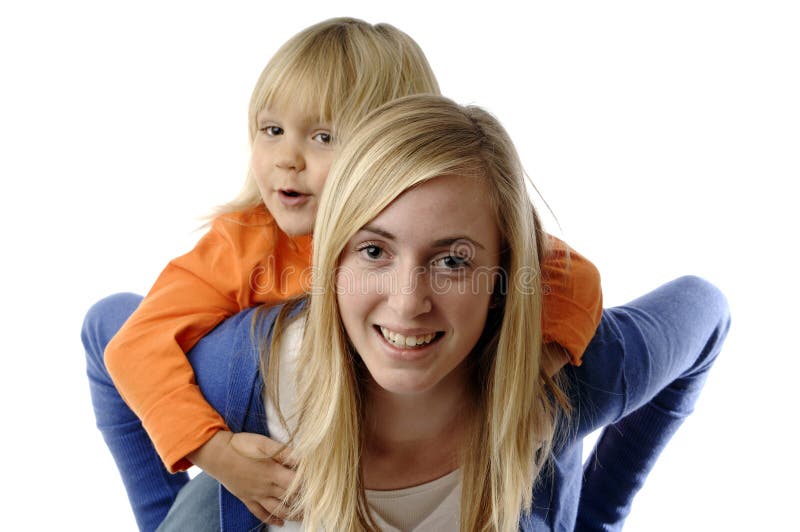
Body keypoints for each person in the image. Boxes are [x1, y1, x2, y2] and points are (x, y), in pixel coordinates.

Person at [81, 19, 602, 531]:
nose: (288, 159)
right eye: (272, 130)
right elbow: (134, 343)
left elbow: (571, 275)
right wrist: (217, 454)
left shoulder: (454, 223)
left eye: (324, 136)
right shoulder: (245, 242)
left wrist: (540, 362)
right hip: (266, 468)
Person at [155, 95, 730, 531]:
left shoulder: (567, 379)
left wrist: (597, 518)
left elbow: (705, 310)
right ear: (328, 261)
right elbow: (112, 332)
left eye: (453, 261)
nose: (408, 302)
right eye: (374, 250)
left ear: (504, 275)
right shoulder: (253, 371)